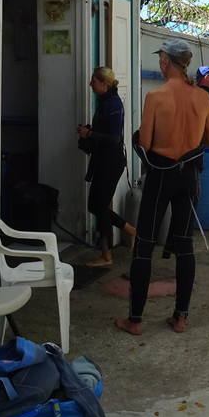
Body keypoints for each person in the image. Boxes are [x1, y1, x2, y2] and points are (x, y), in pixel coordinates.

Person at [115, 38, 209, 336]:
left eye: (161, 59)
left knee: (144, 245)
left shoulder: (156, 97)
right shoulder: (202, 98)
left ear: (165, 62)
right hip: (188, 177)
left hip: (161, 175)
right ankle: (181, 317)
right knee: (185, 246)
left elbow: (145, 144)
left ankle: (135, 320)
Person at [76, 67, 135, 267]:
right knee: (96, 205)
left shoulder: (113, 103)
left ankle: (107, 255)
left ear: (105, 83)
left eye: (94, 81)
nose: (91, 84)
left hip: (111, 162)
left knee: (98, 206)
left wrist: (90, 134)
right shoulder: (104, 102)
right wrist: (89, 132)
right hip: (104, 160)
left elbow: (114, 137)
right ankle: (129, 230)